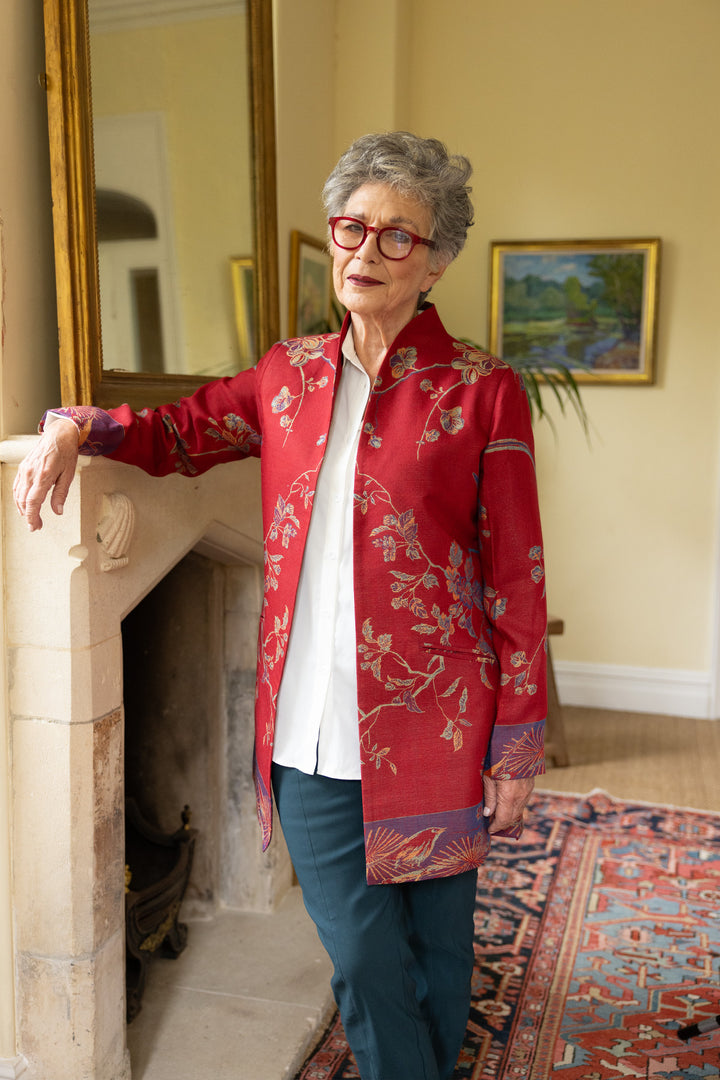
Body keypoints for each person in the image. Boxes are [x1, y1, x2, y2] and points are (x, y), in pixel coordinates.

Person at [14, 131, 547, 1080]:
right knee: (362, 954)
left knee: (439, 949)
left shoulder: (481, 391)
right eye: (353, 228)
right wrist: (75, 424)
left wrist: (515, 742)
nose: (366, 253)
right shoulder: (287, 373)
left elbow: (517, 575)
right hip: (303, 728)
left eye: (397, 237)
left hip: (434, 723)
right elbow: (178, 430)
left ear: (437, 259)